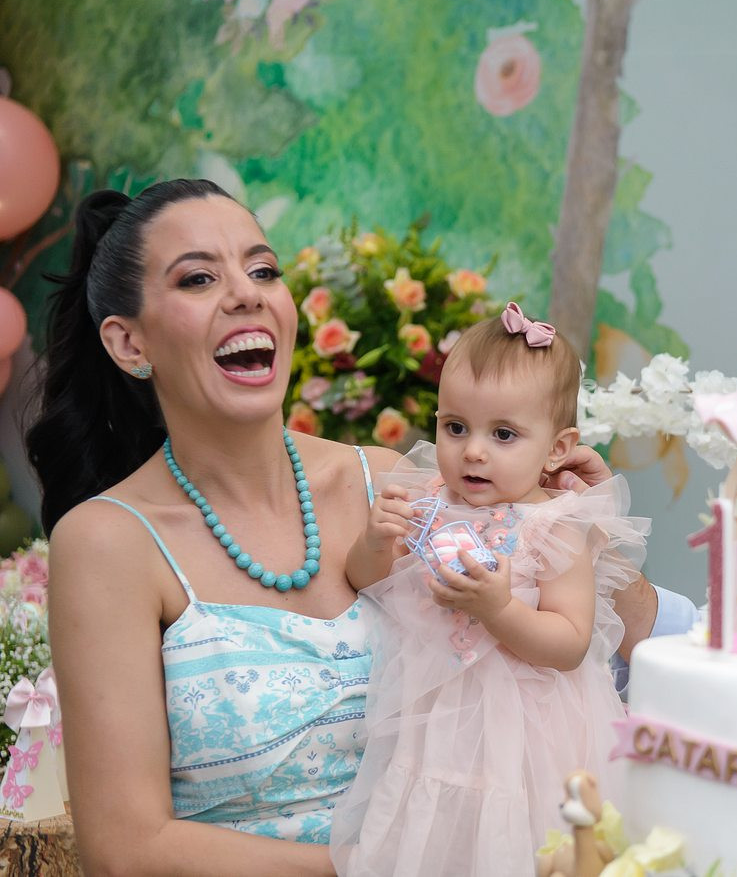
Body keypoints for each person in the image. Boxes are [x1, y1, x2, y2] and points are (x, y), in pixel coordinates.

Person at [24, 179, 665, 876]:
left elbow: (617, 645)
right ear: (129, 343)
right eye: (199, 278)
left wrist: (582, 525)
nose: (246, 294)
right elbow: (127, 851)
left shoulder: (397, 483)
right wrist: (391, 864)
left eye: (263, 270)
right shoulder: (109, 542)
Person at [328, 304, 647, 876]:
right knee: (437, 838)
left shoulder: (555, 525)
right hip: (437, 717)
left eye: (503, 434)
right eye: (455, 428)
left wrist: (498, 609)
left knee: (517, 840)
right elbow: (365, 581)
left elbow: (571, 642)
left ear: (557, 449)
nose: (473, 451)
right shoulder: (430, 500)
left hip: (526, 730)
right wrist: (376, 541)